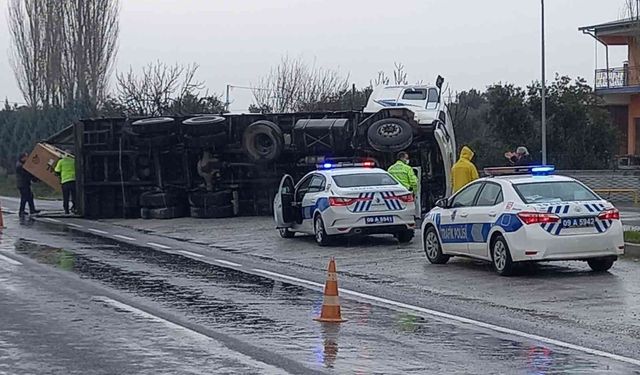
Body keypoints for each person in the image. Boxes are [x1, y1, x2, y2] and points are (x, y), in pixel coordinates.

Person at [16, 152, 39, 216]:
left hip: (24, 184)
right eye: (26, 157)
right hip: (23, 184)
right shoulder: (20, 166)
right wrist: (34, 178)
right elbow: (27, 174)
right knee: (25, 197)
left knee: (30, 196)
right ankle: (21, 211)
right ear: (23, 158)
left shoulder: (21, 164)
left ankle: (32, 210)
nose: (27, 158)